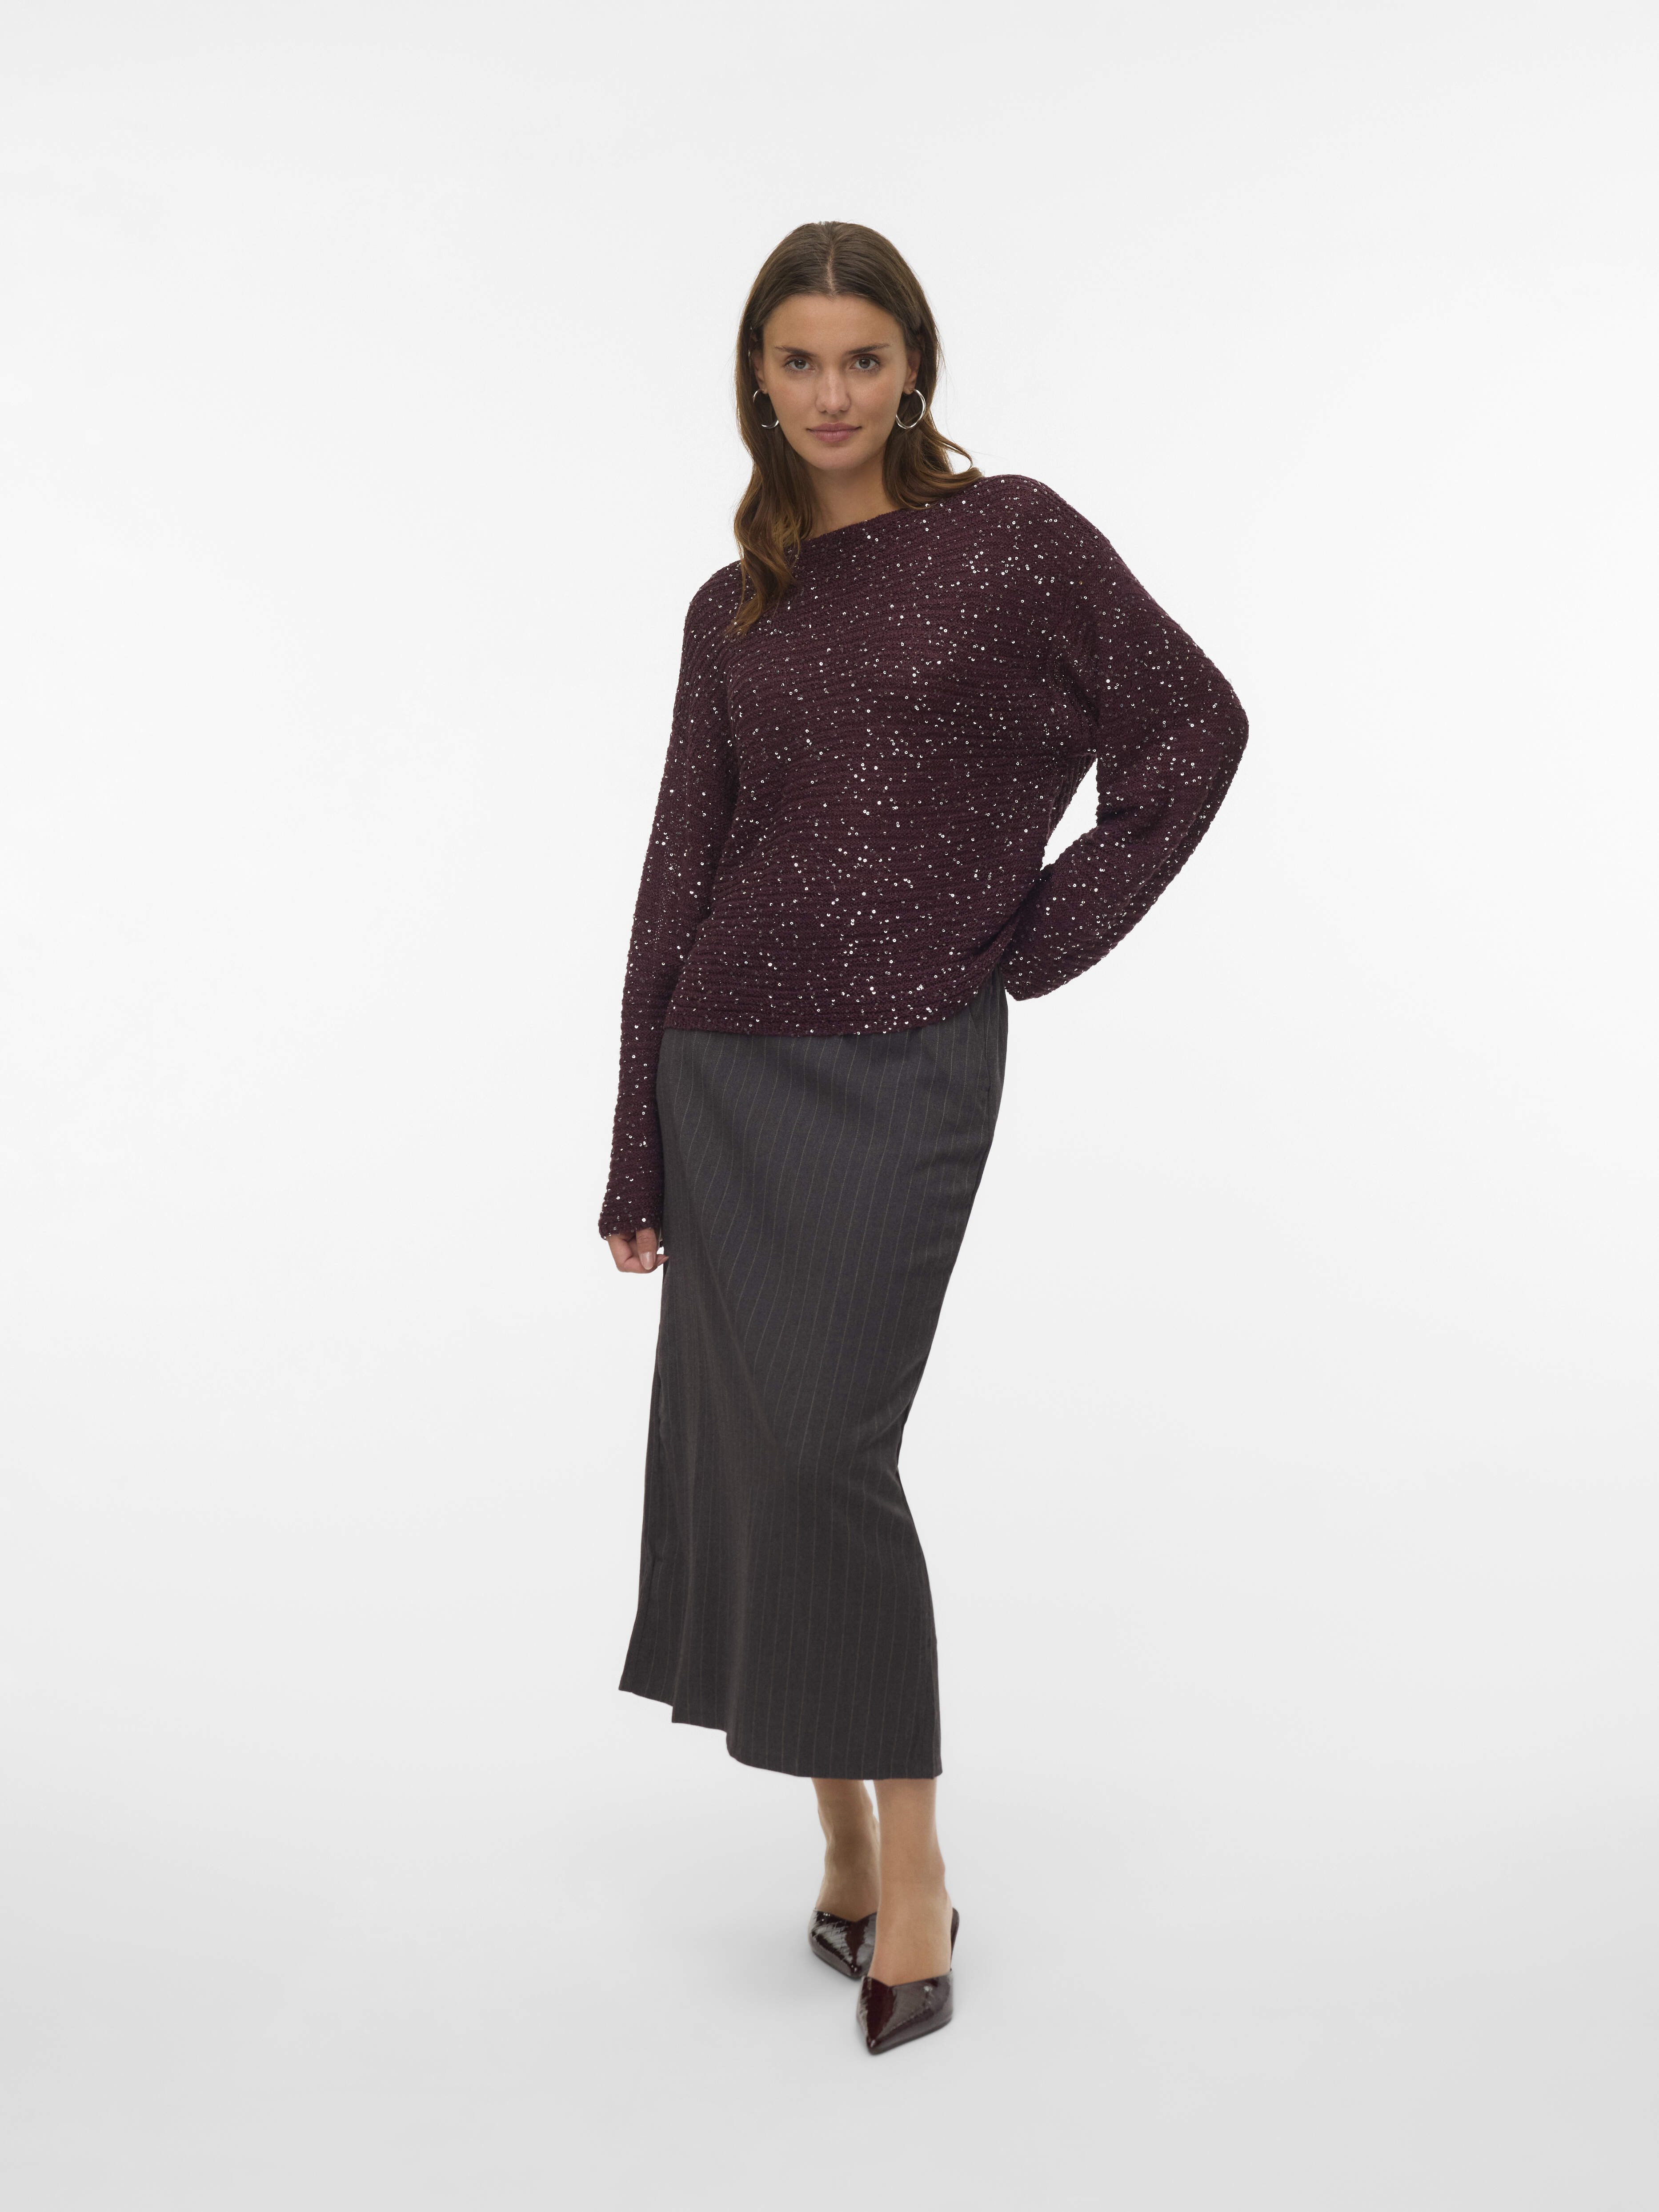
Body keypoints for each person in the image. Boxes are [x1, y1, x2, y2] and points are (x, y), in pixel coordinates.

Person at [599, 220, 1248, 2054]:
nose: (830, 394)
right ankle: (837, 1843)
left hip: (904, 1064)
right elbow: (677, 870)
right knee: (759, 1459)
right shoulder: (731, 607)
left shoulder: (1011, 539)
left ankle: (920, 1866)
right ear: (756, 379)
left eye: (862, 360)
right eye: (797, 361)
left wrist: (1033, 936)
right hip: (726, 1064)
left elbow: (1193, 731)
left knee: (828, 1451)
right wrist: (635, 1139)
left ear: (914, 369)